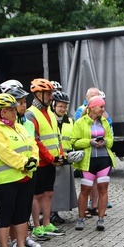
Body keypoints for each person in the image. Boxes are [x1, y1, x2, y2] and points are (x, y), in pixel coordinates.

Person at [0, 93, 39, 247]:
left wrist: (33, 160)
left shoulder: (20, 127)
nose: (14, 112)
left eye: (14, 109)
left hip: (25, 176)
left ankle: (21, 245)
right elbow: (4, 153)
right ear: (0, 112)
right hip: (7, 179)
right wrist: (24, 163)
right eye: (9, 110)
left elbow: (33, 144)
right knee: (6, 215)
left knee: (22, 213)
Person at [26, 78, 66, 240]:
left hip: (52, 161)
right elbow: (35, 140)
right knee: (37, 195)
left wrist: (61, 153)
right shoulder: (30, 114)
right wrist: (51, 158)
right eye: (48, 93)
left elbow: (57, 136)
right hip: (41, 162)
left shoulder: (49, 111)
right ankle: (36, 227)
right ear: (38, 94)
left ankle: (47, 222)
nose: (51, 97)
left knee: (48, 193)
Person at [71, 95, 115, 231]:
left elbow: (111, 140)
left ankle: (101, 219)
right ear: (92, 108)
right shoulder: (80, 122)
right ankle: (80, 218)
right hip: (88, 161)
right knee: (85, 190)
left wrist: (105, 142)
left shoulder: (104, 121)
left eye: (103, 106)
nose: (103, 109)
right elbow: (74, 142)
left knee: (103, 189)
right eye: (101, 107)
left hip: (104, 160)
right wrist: (89, 142)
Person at [51, 91, 78, 221]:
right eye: (60, 106)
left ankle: (54, 213)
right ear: (54, 106)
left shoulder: (70, 121)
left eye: (65, 107)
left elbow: (73, 139)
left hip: (66, 158)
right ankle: (50, 213)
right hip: (53, 158)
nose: (62, 109)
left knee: (61, 188)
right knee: (51, 187)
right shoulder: (49, 120)